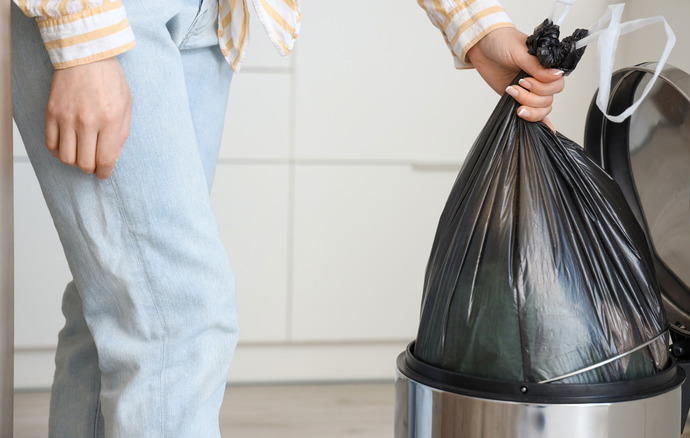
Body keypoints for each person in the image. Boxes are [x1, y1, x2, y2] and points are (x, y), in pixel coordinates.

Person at [11, 0, 565, 436]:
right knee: (173, 313)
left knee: (123, 306)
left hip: (212, 19)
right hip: (110, 15)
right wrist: (82, 36)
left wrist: (474, 23)